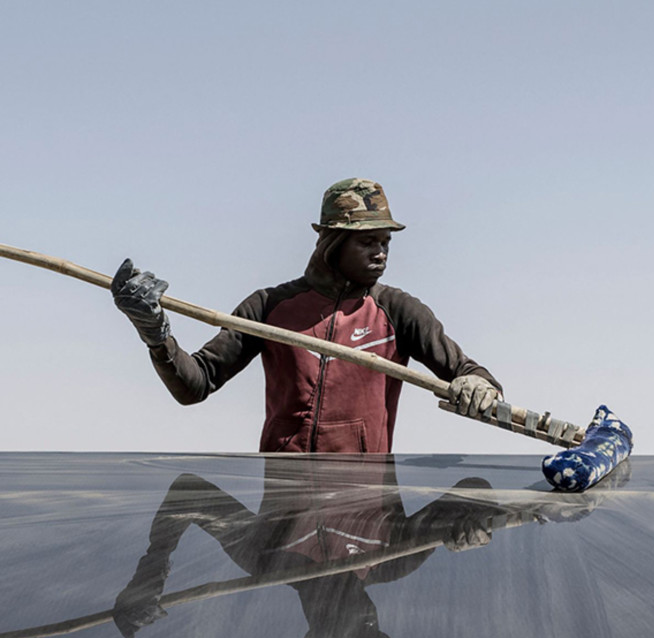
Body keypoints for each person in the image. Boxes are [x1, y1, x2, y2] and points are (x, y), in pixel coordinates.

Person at [110, 178, 502, 454]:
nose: (380, 252)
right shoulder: (267, 308)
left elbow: (471, 373)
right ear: (332, 243)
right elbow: (194, 387)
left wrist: (477, 386)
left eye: (385, 241)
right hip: (283, 505)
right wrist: (156, 335)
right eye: (367, 241)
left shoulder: (398, 311)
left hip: (367, 508)